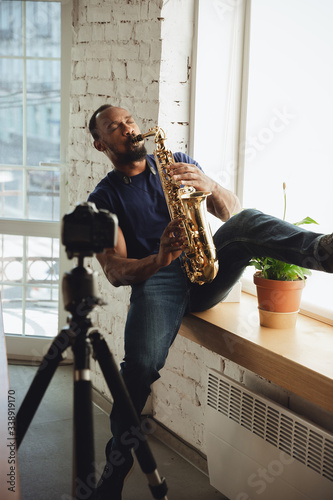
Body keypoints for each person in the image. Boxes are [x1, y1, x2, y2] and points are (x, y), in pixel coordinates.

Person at [87, 104, 333, 499]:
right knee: (139, 370)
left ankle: (322, 251)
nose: (128, 129)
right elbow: (116, 272)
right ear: (101, 144)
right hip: (157, 279)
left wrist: (209, 185)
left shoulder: (177, 162)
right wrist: (160, 257)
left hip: (204, 267)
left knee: (248, 220)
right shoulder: (102, 198)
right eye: (114, 128)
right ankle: (114, 473)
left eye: (128, 120)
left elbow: (231, 213)